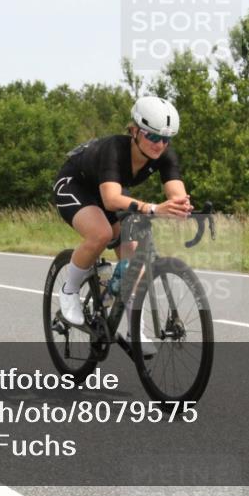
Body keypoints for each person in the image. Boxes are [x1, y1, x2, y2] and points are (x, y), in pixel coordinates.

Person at [52, 96, 192, 353]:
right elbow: (110, 199)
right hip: (76, 185)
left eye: (166, 139)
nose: (159, 144)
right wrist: (153, 208)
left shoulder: (164, 154)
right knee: (101, 233)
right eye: (152, 136)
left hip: (112, 189)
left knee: (135, 256)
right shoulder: (114, 149)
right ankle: (69, 291)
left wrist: (181, 207)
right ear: (135, 131)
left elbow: (176, 192)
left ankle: (132, 327)